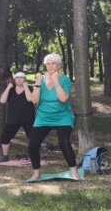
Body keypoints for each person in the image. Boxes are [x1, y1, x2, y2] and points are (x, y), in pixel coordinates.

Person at [27, 53, 79, 181]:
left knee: (64, 143)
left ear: (59, 65)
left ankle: (74, 172)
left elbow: (63, 99)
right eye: (48, 64)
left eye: (53, 63)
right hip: (43, 117)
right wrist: (38, 83)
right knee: (33, 145)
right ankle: (36, 173)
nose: (50, 66)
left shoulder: (65, 80)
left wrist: (56, 82)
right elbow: (34, 101)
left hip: (63, 117)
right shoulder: (41, 80)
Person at [0, 71, 35, 161]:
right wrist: (8, 88)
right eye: (17, 78)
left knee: (33, 138)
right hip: (13, 118)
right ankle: (5, 156)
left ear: (25, 79)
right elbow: (2, 101)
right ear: (14, 80)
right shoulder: (11, 89)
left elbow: (30, 99)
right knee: (5, 137)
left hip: (28, 118)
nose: (19, 80)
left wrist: (26, 86)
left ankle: (33, 156)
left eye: (21, 78)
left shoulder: (30, 88)